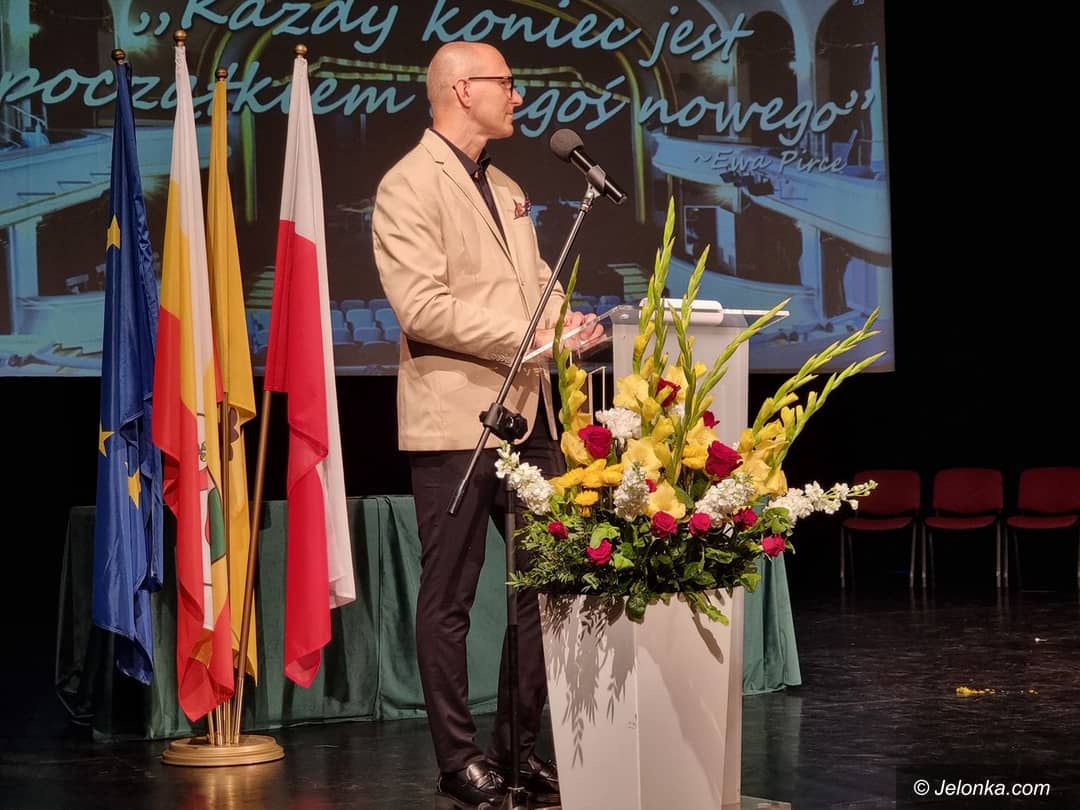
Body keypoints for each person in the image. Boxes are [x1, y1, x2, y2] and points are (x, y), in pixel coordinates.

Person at [371, 41, 601, 810]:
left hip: (530, 413)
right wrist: (527, 338)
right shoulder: (408, 185)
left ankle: (517, 751)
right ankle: (458, 759)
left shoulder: (506, 185)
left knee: (545, 585)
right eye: (508, 83)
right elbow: (422, 308)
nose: (519, 96)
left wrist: (567, 323)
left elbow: (535, 284)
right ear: (463, 90)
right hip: (455, 421)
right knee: (451, 596)